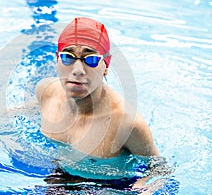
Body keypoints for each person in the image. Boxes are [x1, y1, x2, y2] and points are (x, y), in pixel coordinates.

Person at [36, 17, 159, 158]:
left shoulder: (127, 123)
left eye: (91, 59)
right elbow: (29, 112)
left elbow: (159, 171)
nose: (78, 70)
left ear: (105, 66)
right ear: (57, 60)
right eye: (68, 57)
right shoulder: (45, 92)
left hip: (109, 180)